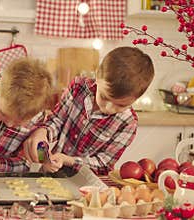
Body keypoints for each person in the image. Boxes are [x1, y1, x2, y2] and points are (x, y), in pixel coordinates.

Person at [23, 47, 155, 175]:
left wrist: (67, 160)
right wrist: (42, 132)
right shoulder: (78, 87)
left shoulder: (128, 123)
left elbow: (103, 164)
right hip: (54, 175)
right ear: (97, 75)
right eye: (104, 97)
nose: (108, 108)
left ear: (136, 99)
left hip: (89, 187)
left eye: (120, 105)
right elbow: (56, 120)